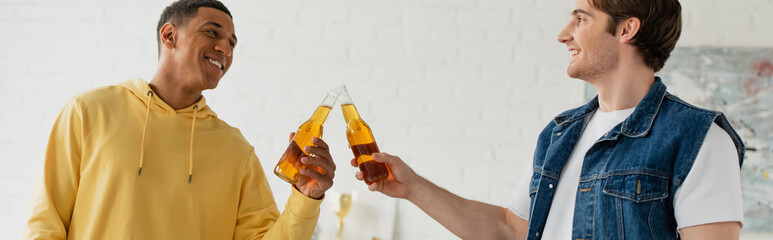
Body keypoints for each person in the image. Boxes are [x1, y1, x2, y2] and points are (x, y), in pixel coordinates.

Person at [352, 0, 745, 239]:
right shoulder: (561, 134)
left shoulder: (699, 139)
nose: (563, 34)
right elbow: (510, 230)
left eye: (581, 19)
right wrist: (413, 188)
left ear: (626, 29)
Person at [24, 0, 336, 239]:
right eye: (213, 32)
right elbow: (45, 222)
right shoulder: (89, 112)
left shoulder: (235, 150)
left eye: (232, 43)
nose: (224, 48)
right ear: (170, 35)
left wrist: (306, 198)